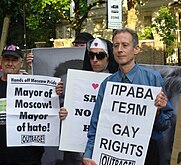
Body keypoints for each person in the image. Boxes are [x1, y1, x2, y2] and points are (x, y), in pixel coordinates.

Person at [82, 28, 173, 165]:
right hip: (113, 151)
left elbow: (165, 124)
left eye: (125, 45)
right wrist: (89, 153)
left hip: (147, 152)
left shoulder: (153, 79)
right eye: (116, 45)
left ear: (136, 49)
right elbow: (96, 122)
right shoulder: (107, 84)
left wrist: (158, 112)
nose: (119, 50)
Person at [59, 37, 119, 165]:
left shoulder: (120, 82)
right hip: (78, 150)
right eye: (91, 55)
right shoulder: (77, 82)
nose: (95, 60)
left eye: (100, 55)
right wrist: (65, 113)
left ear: (109, 57)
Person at [0, 44, 44, 164]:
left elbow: (48, 111)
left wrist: (56, 93)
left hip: (29, 158)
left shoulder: (35, 88)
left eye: (14, 60)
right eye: (6, 59)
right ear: (1, 61)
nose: (10, 63)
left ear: (21, 62)